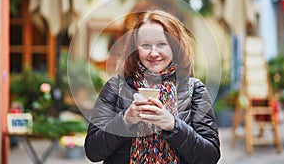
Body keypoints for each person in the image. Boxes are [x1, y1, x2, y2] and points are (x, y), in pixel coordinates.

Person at [84, 9, 220, 164]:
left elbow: (211, 157)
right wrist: (125, 120)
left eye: (162, 44)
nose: (153, 53)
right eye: (145, 45)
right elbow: (93, 151)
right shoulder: (116, 87)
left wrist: (173, 125)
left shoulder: (195, 90)